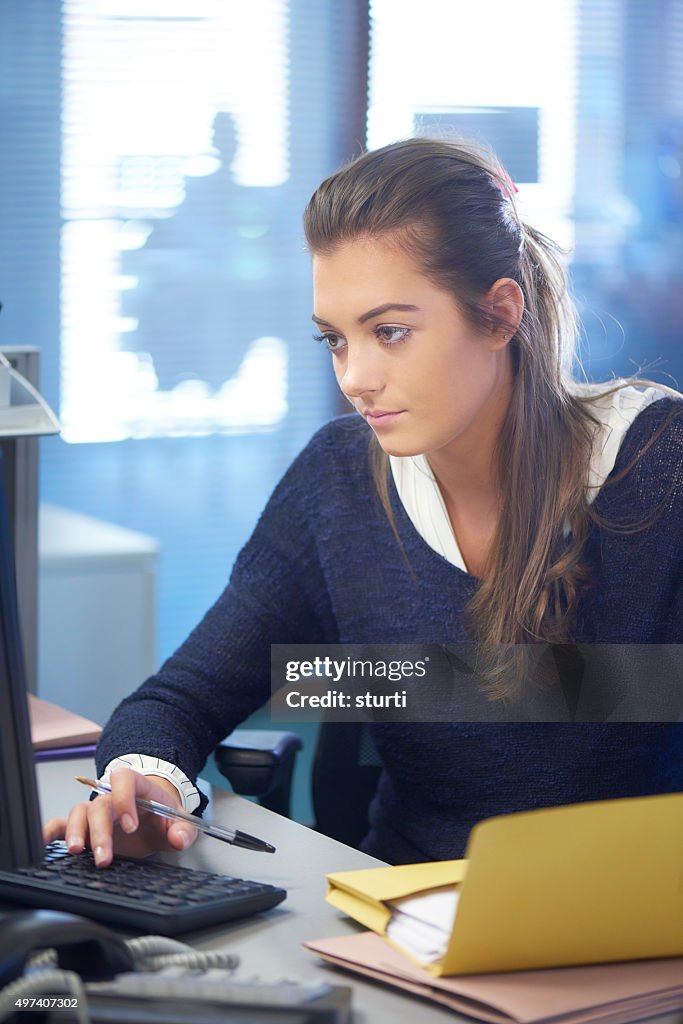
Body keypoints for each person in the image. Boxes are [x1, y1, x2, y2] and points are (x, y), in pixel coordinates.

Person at [45, 137, 683, 869]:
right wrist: (143, 783)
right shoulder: (339, 480)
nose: (355, 377)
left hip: (631, 933)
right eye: (335, 341)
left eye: (389, 332)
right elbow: (181, 699)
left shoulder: (656, 467)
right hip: (404, 916)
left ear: (500, 314)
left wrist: (407, 681)